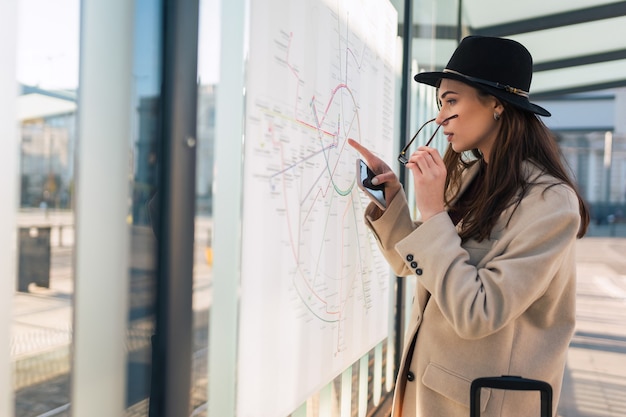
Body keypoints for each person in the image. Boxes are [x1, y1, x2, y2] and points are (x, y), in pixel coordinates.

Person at [349, 35, 590, 417]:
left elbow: (478, 313)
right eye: (440, 103)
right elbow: (417, 266)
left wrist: (432, 211)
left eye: (451, 101)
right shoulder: (473, 177)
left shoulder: (549, 202)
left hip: (485, 405)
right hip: (431, 397)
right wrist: (393, 199)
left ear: (496, 104)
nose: (440, 117)